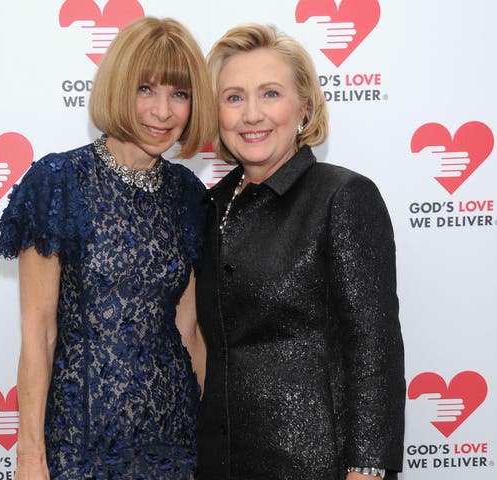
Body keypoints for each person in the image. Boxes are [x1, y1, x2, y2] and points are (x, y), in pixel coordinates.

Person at [0, 17, 214, 479]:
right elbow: (39, 330)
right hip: (80, 440)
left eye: (179, 94)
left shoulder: (189, 195)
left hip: (174, 439)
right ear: (117, 88)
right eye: (145, 90)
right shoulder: (58, 183)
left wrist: (216, 441)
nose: (162, 111)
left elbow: (189, 330)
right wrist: (30, 457)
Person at [195, 24, 405, 480]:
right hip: (219, 461)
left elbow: (373, 346)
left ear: (304, 105)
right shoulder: (209, 206)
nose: (252, 114)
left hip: (315, 464)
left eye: (270, 93)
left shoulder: (342, 196)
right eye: (233, 97)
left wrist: (367, 468)